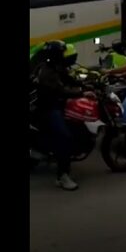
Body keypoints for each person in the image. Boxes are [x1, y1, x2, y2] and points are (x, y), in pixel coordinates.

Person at [32, 41, 97, 191]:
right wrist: (81, 92)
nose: (63, 55)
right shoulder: (47, 71)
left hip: (58, 105)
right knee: (65, 137)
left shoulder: (56, 67)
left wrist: (85, 84)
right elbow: (59, 90)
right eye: (60, 53)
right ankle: (62, 176)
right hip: (48, 109)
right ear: (54, 54)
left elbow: (68, 79)